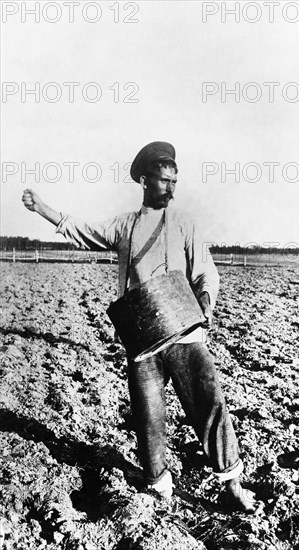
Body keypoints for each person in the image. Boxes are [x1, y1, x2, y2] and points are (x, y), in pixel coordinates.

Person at [22, 141, 259, 513]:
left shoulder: (185, 224)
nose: (171, 188)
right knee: (148, 416)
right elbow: (81, 230)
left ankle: (232, 483)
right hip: (142, 340)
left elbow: (205, 273)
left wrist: (207, 303)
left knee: (209, 404)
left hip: (185, 334)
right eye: (164, 180)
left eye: (175, 181)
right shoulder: (125, 226)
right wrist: (42, 209)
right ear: (145, 181)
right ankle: (160, 489)